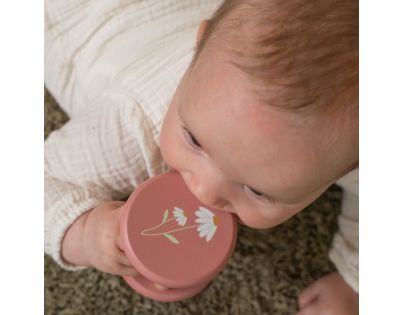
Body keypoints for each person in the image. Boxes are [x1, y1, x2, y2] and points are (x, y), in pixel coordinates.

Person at [45, 0, 358, 313]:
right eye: (194, 140)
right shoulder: (131, 127)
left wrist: (354, 281)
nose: (205, 192)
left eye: (256, 190)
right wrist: (83, 233)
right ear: (198, 49)